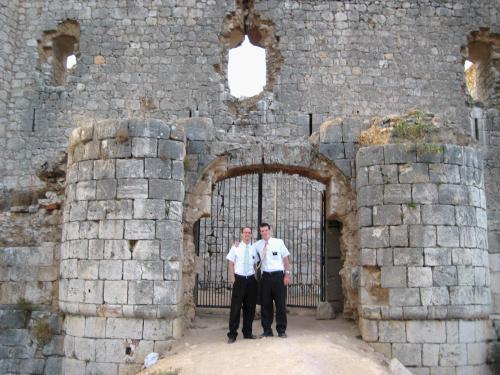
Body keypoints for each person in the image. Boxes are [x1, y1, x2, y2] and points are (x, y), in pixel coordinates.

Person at [255, 222, 290, 338]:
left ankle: (281, 330)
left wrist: (287, 275)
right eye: (262, 231)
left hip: (278, 276)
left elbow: (285, 258)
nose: (264, 233)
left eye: (266, 230)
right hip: (265, 277)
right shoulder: (257, 245)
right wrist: (237, 244)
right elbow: (248, 251)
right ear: (260, 232)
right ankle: (267, 330)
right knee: (266, 304)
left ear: (270, 231)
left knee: (280, 304)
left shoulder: (278, 242)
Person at [226, 226, 259, 343]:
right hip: (239, 280)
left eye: (249, 233)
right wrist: (232, 278)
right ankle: (232, 334)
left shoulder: (253, 248)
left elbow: (255, 264)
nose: (247, 234)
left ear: (251, 235)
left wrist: (254, 277)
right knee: (235, 308)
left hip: (250, 280)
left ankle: (247, 332)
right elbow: (230, 263)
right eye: (245, 232)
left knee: (250, 309)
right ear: (241, 234)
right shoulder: (235, 247)